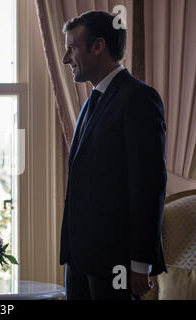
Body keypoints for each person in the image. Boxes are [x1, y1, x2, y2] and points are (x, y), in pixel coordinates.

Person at [59, 11, 167, 300]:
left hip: (117, 263)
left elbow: (148, 186)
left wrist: (140, 264)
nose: (65, 58)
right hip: (80, 261)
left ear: (98, 46)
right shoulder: (90, 102)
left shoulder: (139, 98)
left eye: (72, 48)